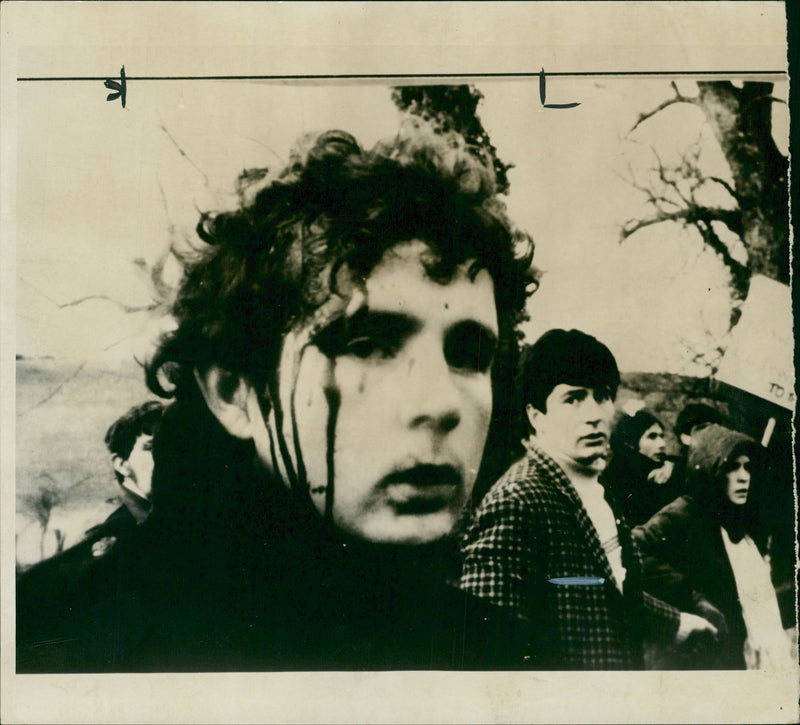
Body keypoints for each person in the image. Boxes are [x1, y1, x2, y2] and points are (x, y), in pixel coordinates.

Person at [17, 120, 537, 672]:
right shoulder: (65, 644)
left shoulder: (496, 655)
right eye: (368, 344)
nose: (441, 403)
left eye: (470, 354)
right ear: (233, 389)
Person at [459, 329, 717, 669]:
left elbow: (610, 590)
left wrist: (679, 624)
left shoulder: (596, 490)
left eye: (603, 396)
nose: (594, 413)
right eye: (573, 398)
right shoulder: (517, 500)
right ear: (536, 416)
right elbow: (486, 650)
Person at [633, 424, 795, 671]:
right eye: (732, 466)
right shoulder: (685, 513)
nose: (744, 476)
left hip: (738, 654)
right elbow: (633, 551)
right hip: (695, 659)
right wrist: (690, 596)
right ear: (710, 467)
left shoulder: (739, 519)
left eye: (748, 467)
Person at [602, 409, 684, 525]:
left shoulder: (666, 467)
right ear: (631, 443)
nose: (662, 444)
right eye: (652, 436)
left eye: (661, 436)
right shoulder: (618, 479)